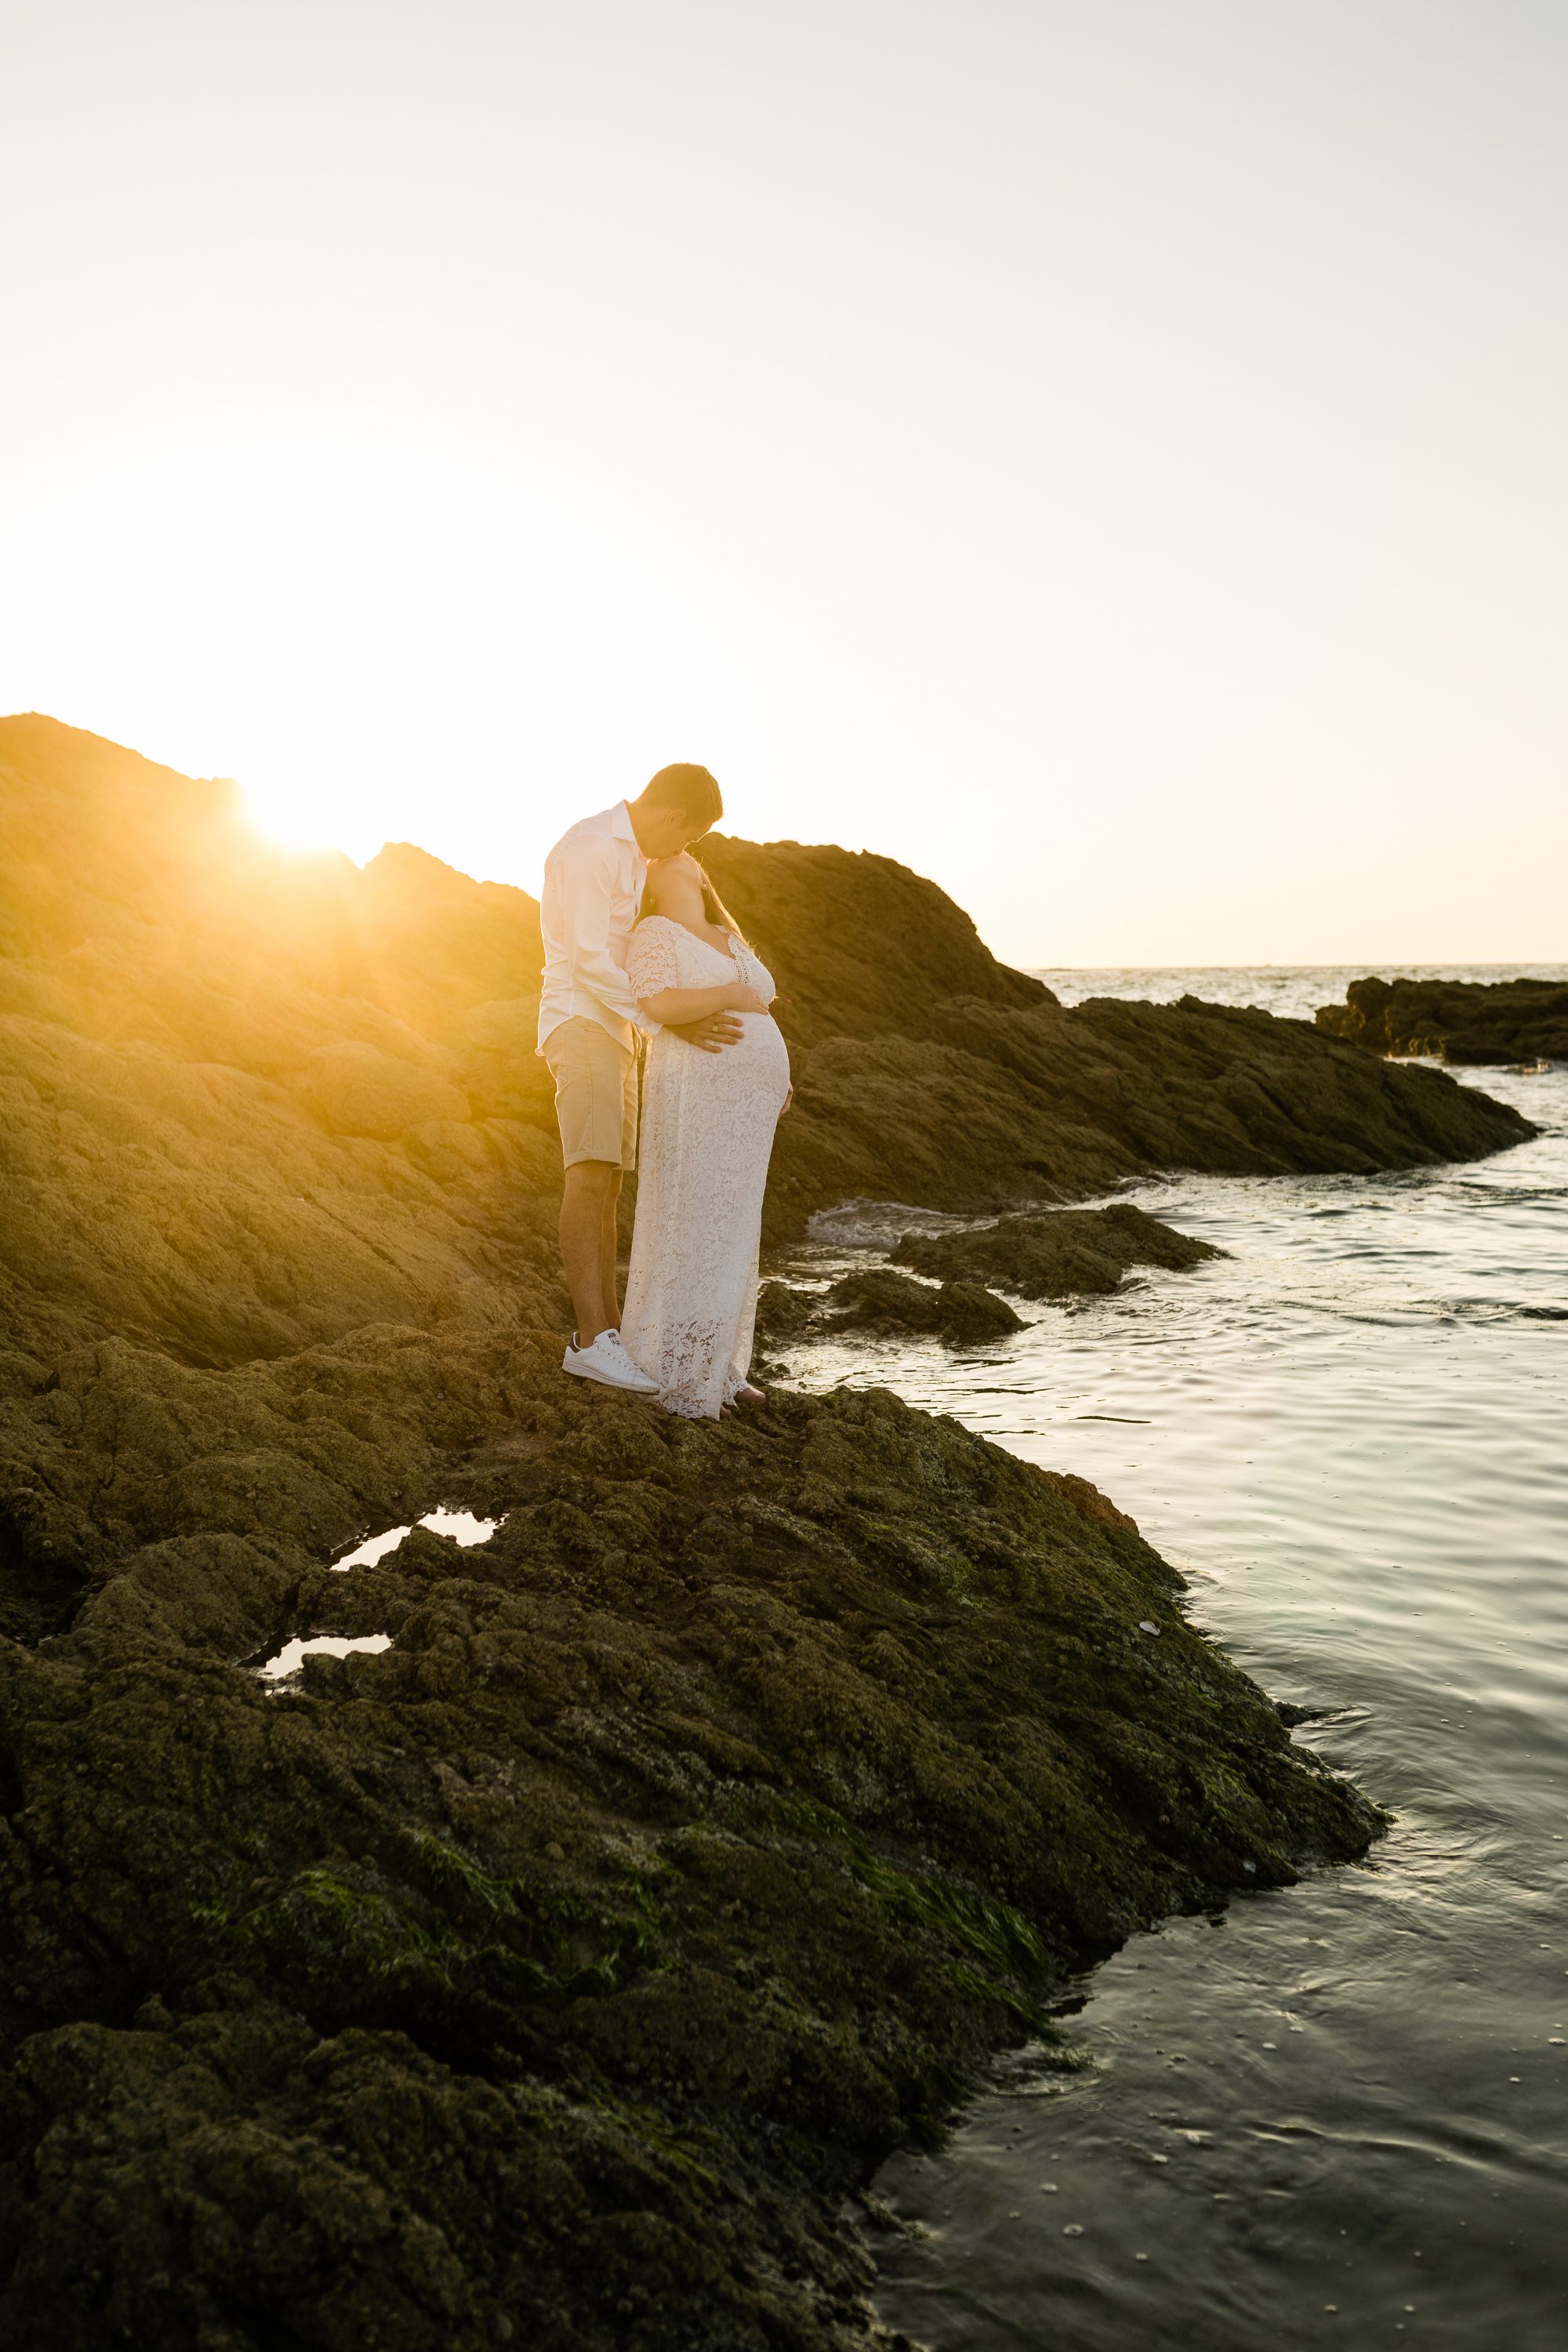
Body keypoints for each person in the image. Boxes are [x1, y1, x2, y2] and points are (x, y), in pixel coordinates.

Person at [538, 764, 737, 1392]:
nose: (684, 850)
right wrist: (667, 1021)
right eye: (691, 836)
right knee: (589, 1172)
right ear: (673, 816)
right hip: (582, 1020)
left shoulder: (629, 856)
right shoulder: (593, 848)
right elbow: (593, 961)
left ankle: (611, 1334)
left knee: (610, 1181)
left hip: (615, 1029)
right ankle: (591, 1341)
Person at [619, 852, 792, 1417]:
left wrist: (776, 1079)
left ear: (702, 874)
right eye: (660, 856)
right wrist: (726, 998)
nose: (674, 856)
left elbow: (760, 1007)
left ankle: (721, 1369)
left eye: (685, 853)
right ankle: (679, 1371)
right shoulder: (653, 931)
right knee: (694, 1221)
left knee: (734, 1225)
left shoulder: (727, 935)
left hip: (750, 1106)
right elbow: (657, 1002)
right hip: (699, 1095)